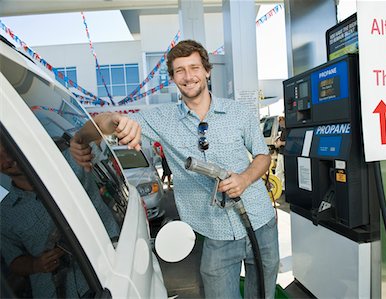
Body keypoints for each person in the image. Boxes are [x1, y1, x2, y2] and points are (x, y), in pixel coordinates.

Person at [71, 39, 279, 298]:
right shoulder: (161, 118)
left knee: (264, 295)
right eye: (180, 70)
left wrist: (245, 179)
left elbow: (262, 156)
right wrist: (87, 135)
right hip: (214, 234)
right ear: (172, 77)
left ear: (207, 71)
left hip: (260, 222)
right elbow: (103, 122)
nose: (188, 76)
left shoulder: (239, 112)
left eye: (194, 67)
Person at [0, 143, 88, 298]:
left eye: (7, 148)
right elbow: (13, 261)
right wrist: (35, 265)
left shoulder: (65, 165)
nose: (7, 158)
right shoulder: (4, 214)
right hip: (55, 292)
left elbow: (89, 135)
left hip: (104, 274)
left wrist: (114, 119)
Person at [274, 116, 286, 191]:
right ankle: (277, 187)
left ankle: (283, 187)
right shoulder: (283, 130)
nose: (280, 123)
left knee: (284, 171)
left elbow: (291, 142)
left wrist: (281, 143)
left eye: (281, 121)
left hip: (285, 154)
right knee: (278, 170)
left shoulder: (287, 130)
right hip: (281, 153)